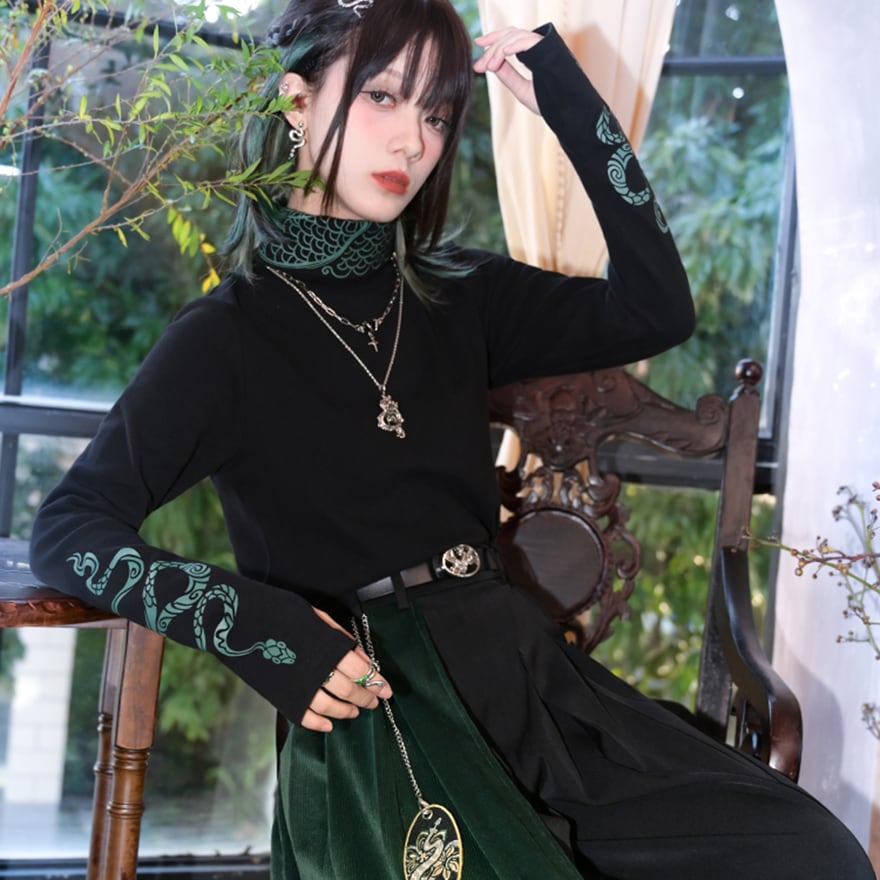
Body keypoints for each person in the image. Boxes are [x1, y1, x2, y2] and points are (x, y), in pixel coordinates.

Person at [29, 0, 874, 877]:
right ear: (296, 100)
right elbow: (69, 529)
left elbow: (656, 308)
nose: (413, 141)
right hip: (380, 710)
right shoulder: (226, 338)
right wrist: (260, 627)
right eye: (382, 97)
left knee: (813, 854)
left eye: (436, 114)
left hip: (529, 681)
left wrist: (571, 109)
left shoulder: (458, 293)